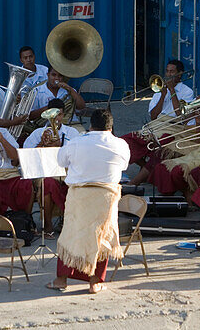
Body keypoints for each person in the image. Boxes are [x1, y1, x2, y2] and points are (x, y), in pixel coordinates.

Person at [47, 109, 129, 294]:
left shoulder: (76, 142)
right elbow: (124, 165)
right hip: (105, 197)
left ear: (90, 125)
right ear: (110, 127)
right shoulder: (121, 144)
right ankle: (95, 282)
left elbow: (61, 161)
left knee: (70, 236)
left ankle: (61, 280)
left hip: (79, 196)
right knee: (101, 239)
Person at [23, 98, 78, 229]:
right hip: (45, 171)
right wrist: (42, 144)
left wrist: (60, 148)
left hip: (67, 172)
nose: (56, 118)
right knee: (47, 183)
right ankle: (47, 224)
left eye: (59, 114)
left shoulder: (72, 133)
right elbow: (27, 157)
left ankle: (69, 220)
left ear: (63, 115)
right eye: (53, 115)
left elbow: (78, 155)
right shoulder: (37, 133)